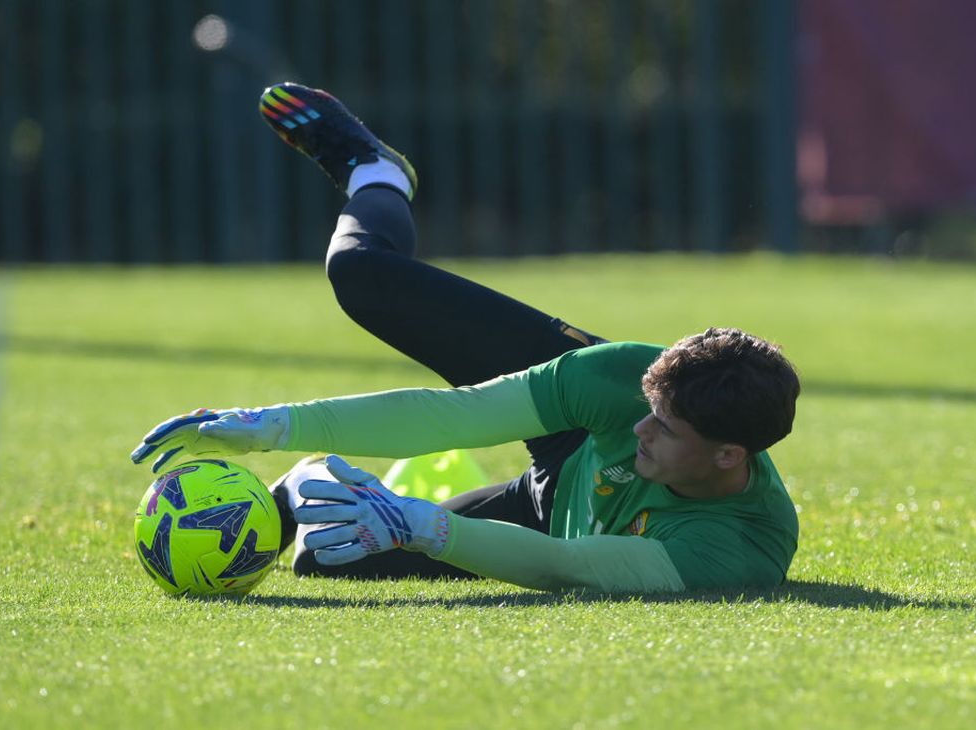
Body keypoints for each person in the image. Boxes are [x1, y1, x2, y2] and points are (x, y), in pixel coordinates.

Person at [131, 82, 801, 594]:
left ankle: (301, 490)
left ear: (728, 456)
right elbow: (458, 415)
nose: (644, 430)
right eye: (651, 412)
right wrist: (264, 426)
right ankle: (376, 172)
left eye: (668, 430)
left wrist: (416, 525)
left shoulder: (732, 553)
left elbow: (563, 564)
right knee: (362, 274)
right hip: (573, 433)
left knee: (324, 560)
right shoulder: (621, 383)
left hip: (549, 520)